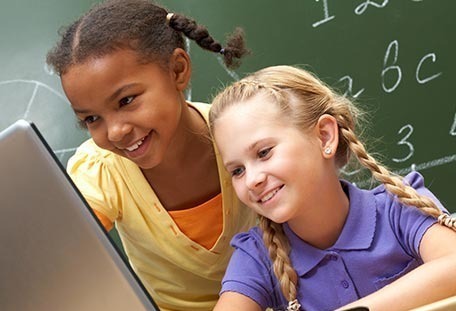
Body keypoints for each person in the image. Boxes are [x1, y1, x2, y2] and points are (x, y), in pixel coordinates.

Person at [46, 0, 256, 310]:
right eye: (91, 119)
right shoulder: (102, 171)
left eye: (126, 100)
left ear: (177, 70)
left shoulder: (246, 136)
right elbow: (57, 251)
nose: (115, 132)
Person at [207, 65, 456, 311]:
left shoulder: (399, 206)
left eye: (264, 152)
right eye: (237, 170)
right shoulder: (256, 256)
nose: (252, 180)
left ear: (324, 137)